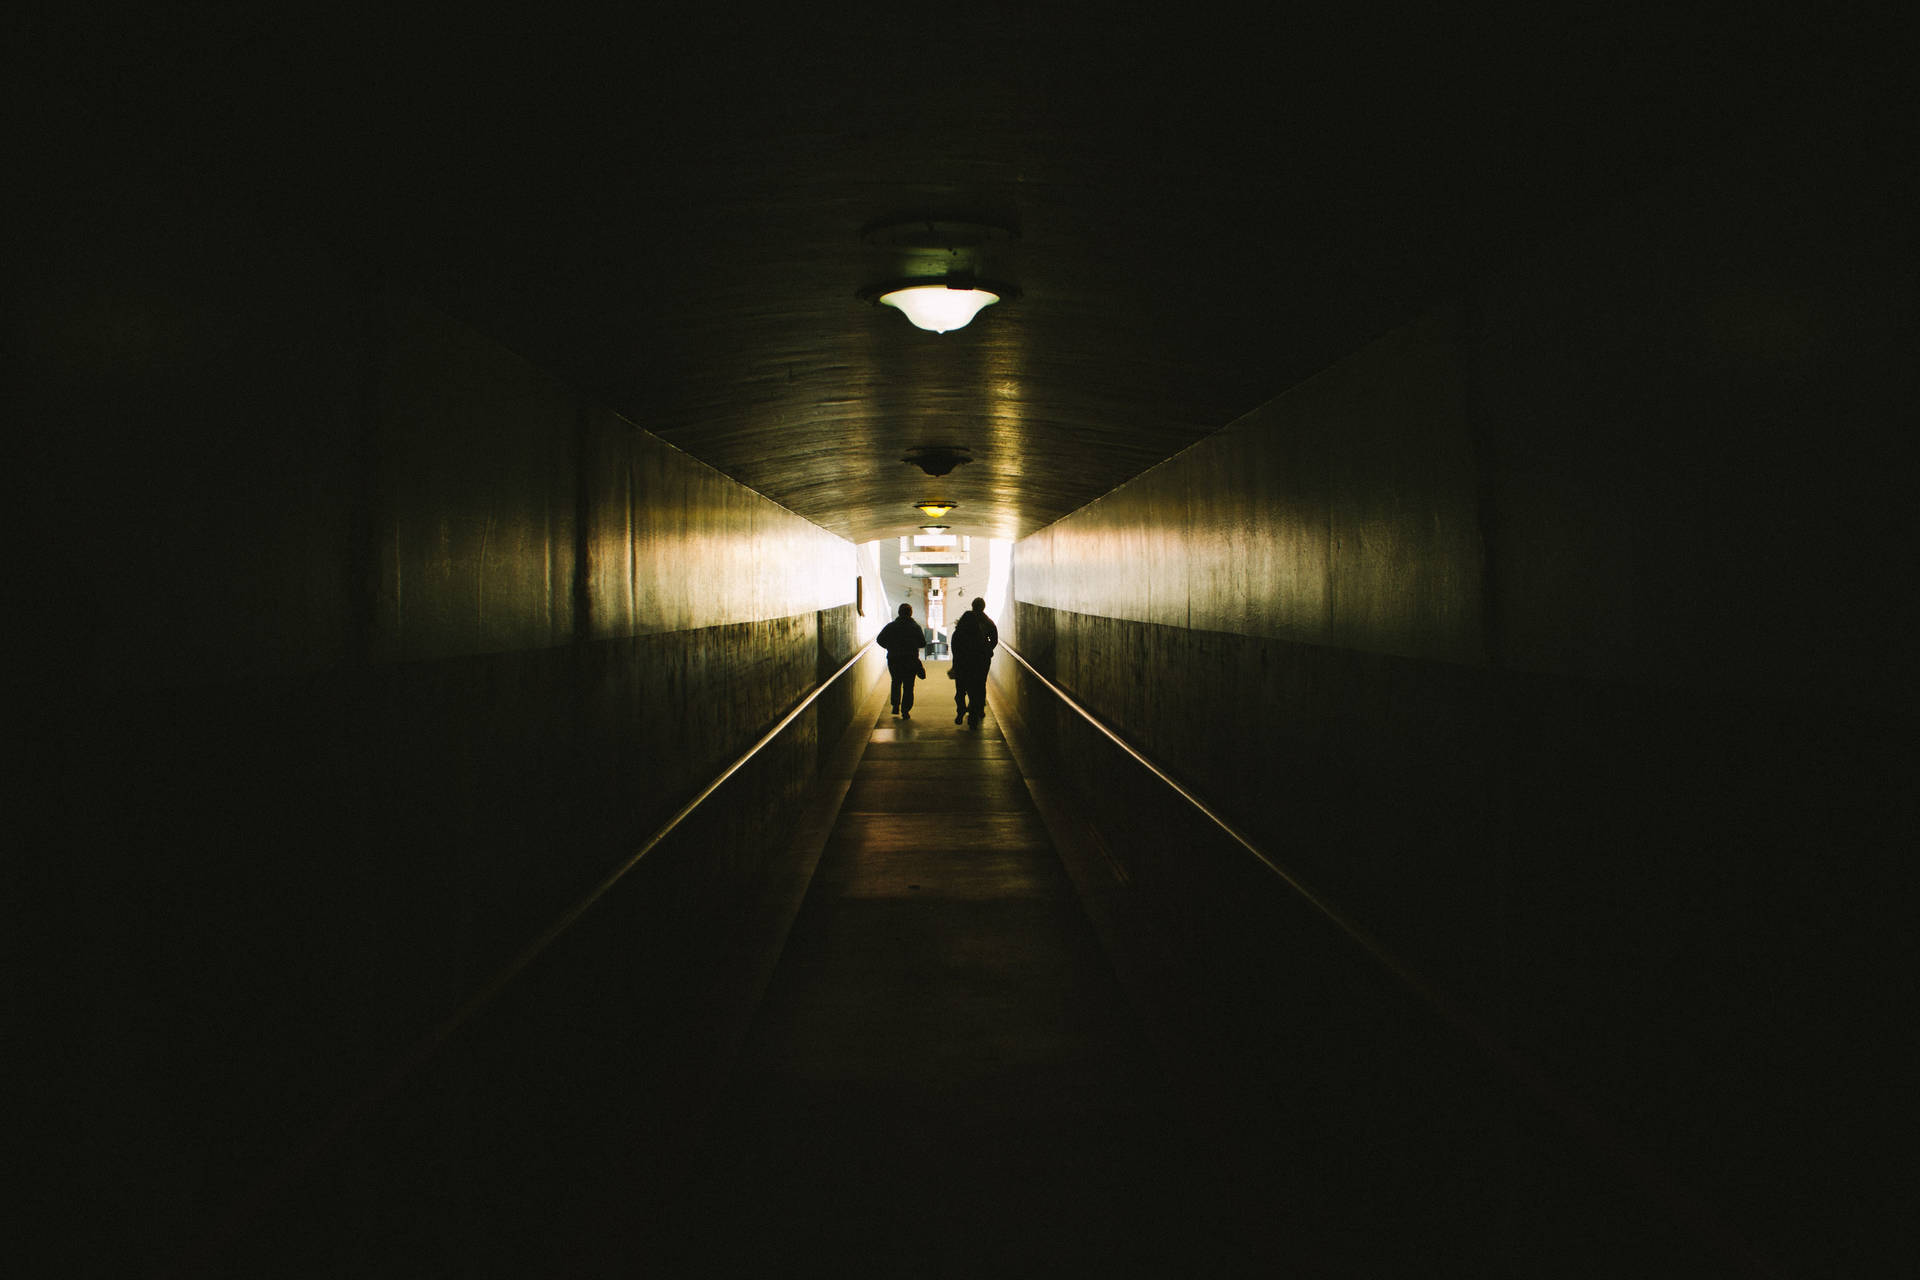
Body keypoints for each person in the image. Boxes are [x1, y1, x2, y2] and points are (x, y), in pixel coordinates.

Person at [949, 597, 999, 726]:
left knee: (960, 689)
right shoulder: (988, 622)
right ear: (983, 607)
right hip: (980, 662)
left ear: (972, 605)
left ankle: (960, 711)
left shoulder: (961, 626)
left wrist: (956, 663)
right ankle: (976, 712)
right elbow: (994, 640)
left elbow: (955, 647)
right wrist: (988, 650)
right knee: (978, 686)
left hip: (962, 663)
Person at [876, 603, 926, 719]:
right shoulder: (915, 627)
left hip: (894, 659)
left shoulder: (891, 626)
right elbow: (922, 643)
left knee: (896, 682)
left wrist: (889, 647)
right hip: (910, 660)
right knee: (908, 686)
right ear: (910, 613)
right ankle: (905, 710)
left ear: (899, 613)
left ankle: (895, 705)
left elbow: (880, 639)